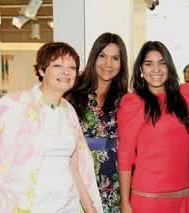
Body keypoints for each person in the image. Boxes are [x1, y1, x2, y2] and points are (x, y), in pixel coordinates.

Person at [0, 42, 103, 213]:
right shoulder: (14, 104)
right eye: (57, 65)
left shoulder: (69, 111)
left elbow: (76, 167)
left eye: (72, 67)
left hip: (68, 206)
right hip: (28, 206)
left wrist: (91, 209)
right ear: (41, 70)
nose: (66, 72)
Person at [117, 41, 189, 213]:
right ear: (141, 70)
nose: (156, 69)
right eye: (148, 64)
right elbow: (125, 156)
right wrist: (125, 203)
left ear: (169, 66)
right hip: (148, 199)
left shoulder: (185, 96)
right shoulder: (133, 103)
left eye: (161, 63)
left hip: (185, 196)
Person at [68, 32, 128, 212]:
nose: (108, 64)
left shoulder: (125, 99)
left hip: (112, 180)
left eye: (115, 58)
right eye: (102, 56)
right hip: (77, 177)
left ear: (121, 63)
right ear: (94, 57)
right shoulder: (72, 92)